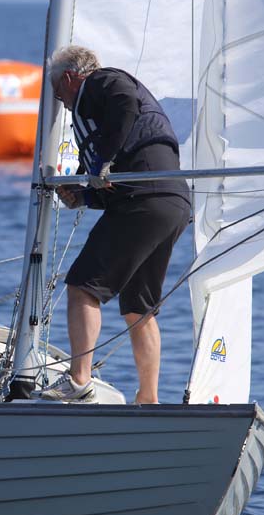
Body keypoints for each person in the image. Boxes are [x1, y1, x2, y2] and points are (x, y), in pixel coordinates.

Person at [39, 45, 191, 404]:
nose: (57, 100)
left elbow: (125, 104)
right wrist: (83, 195)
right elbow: (108, 181)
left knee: (81, 287)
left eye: (56, 89)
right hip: (172, 203)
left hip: (144, 201)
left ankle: (78, 381)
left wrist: (101, 164)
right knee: (139, 307)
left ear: (70, 78)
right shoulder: (102, 124)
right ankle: (148, 399)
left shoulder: (103, 82)